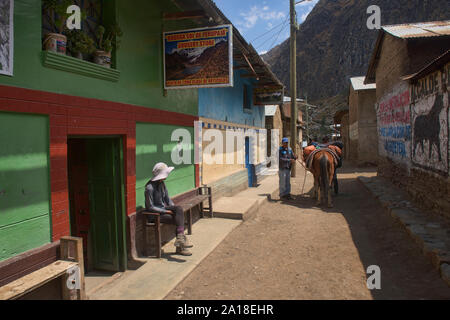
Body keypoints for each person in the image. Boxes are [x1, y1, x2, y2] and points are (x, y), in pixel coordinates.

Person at [145, 162, 193, 256]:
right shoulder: (149, 188)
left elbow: (167, 199)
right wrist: (166, 211)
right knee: (179, 220)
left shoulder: (162, 184)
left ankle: (180, 238)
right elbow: (150, 207)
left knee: (178, 210)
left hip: (164, 209)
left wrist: (173, 209)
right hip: (154, 215)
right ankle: (180, 247)